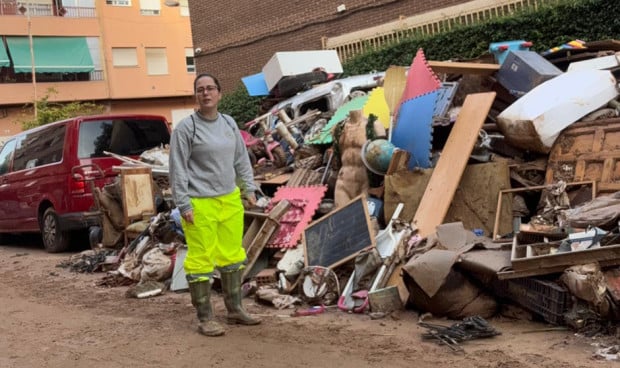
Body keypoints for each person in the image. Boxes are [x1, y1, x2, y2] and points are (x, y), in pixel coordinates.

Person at [169, 73, 261, 337]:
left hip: (229, 199)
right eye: (200, 90)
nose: (206, 93)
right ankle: (205, 316)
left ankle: (235, 310)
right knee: (201, 260)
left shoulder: (229, 123)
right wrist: (183, 203)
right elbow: (178, 169)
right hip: (199, 203)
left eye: (210, 89)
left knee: (233, 255)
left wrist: (249, 188)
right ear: (196, 96)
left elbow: (241, 158)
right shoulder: (187, 128)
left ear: (220, 93)